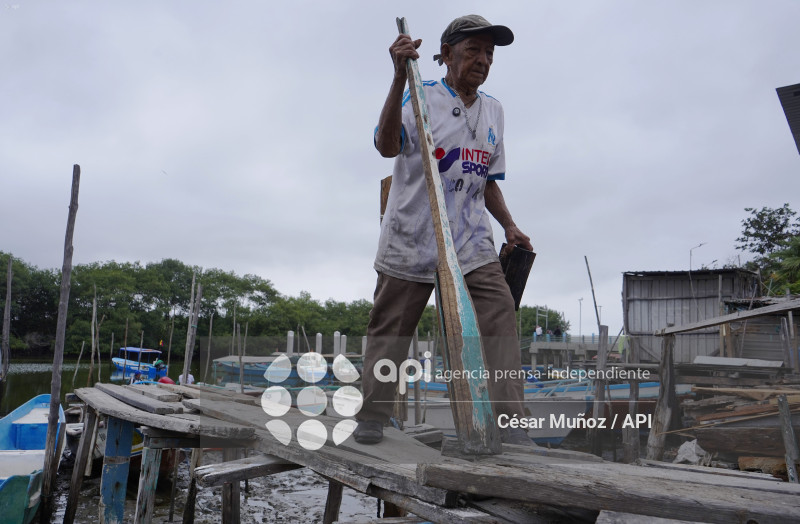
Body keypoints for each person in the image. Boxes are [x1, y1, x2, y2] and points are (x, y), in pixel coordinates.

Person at [355, 15, 533, 446]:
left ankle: (509, 424)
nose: (483, 60)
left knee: (498, 316)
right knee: (392, 330)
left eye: (489, 53)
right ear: (447, 54)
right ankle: (373, 414)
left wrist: (508, 225)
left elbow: (487, 179)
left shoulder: (493, 111)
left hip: (471, 240)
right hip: (413, 234)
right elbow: (386, 146)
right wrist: (399, 78)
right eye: (473, 50)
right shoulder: (421, 95)